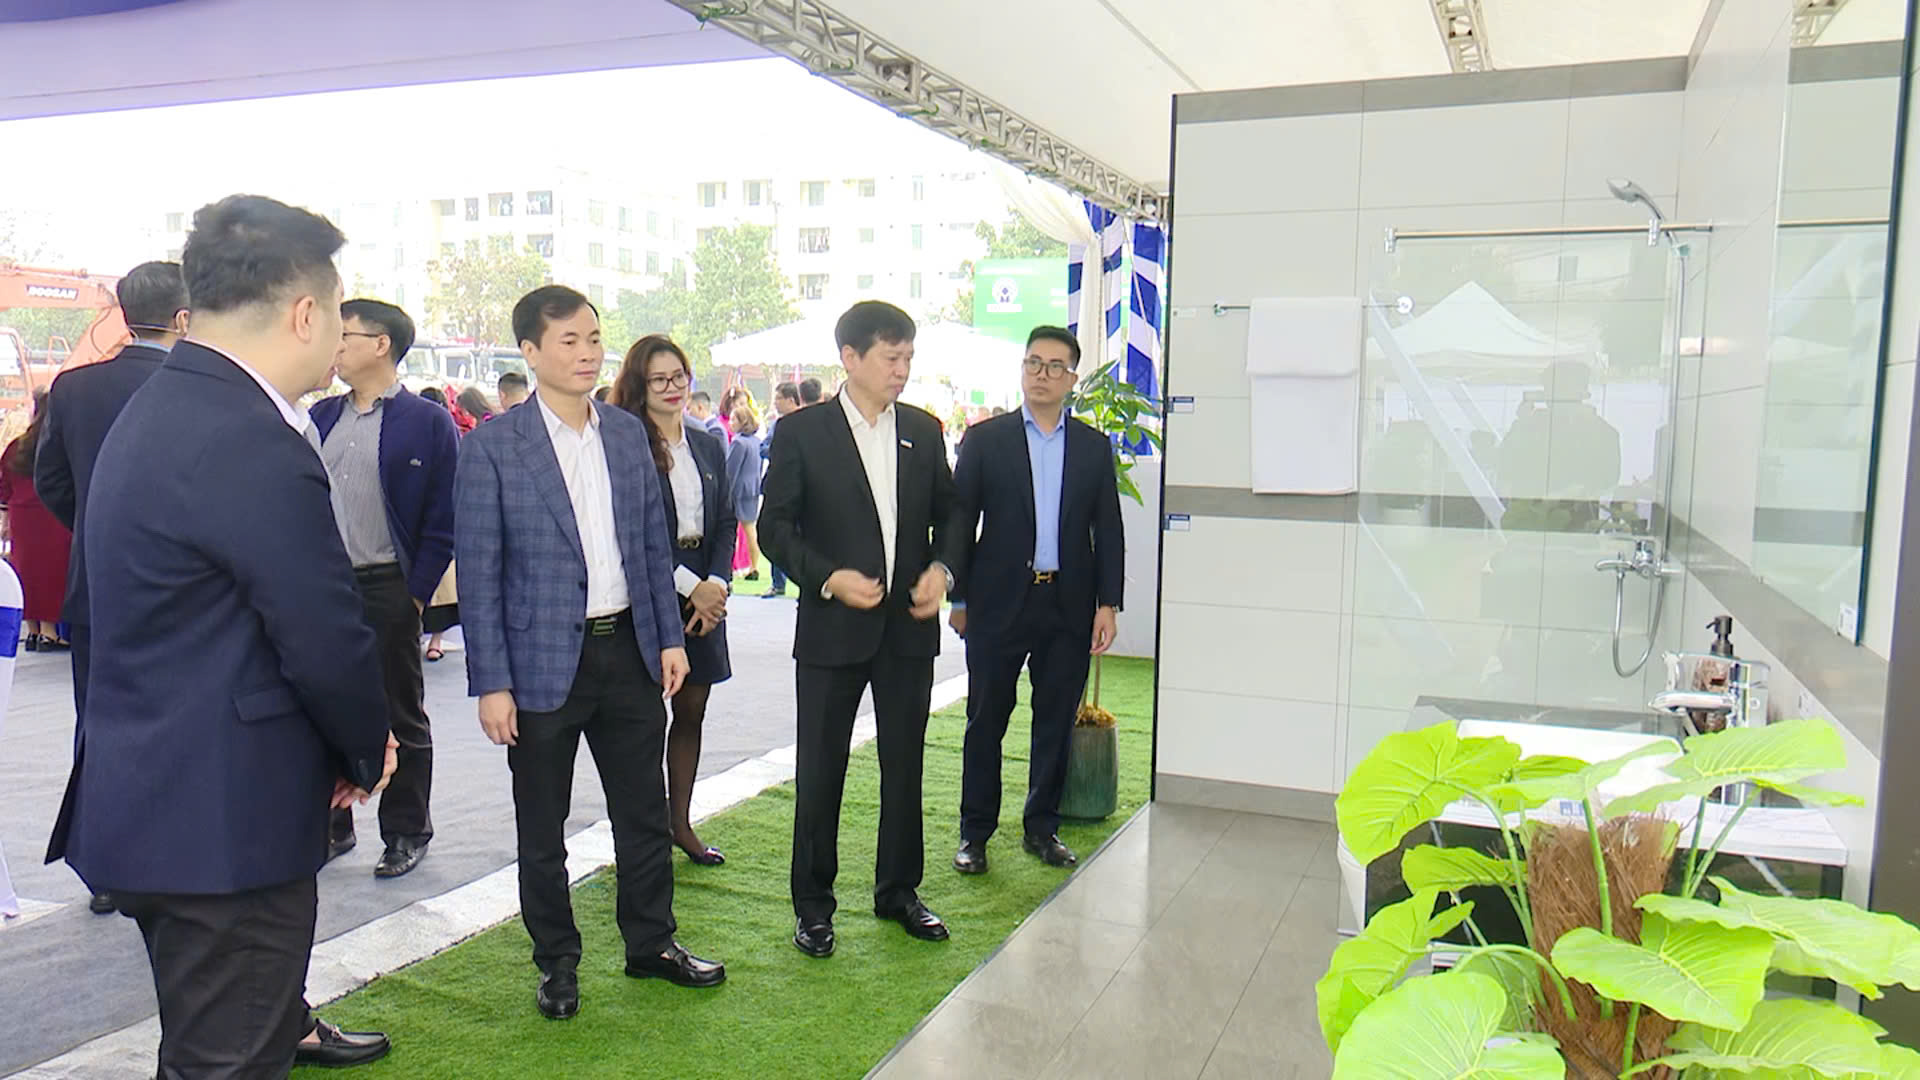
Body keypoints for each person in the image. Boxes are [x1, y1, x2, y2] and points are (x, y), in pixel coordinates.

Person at [45, 194, 397, 1074]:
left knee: (210, 1050)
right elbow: (321, 631)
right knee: (228, 1060)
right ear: (306, 313)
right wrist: (365, 748)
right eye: (338, 312)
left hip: (168, 798)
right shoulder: (246, 432)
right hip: (222, 823)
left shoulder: (165, 403)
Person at [454, 285, 722, 1021]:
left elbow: (650, 546)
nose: (587, 353)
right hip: (538, 669)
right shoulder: (492, 446)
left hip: (628, 652)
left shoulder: (626, 435)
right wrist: (491, 683)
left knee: (643, 813)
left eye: (594, 338)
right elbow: (479, 574)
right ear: (530, 351)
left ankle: (652, 943)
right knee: (543, 827)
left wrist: (668, 637)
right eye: (568, 340)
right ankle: (557, 963)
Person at [760, 300, 955, 959]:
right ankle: (813, 907)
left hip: (907, 631)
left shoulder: (924, 431)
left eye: (908, 358)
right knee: (821, 771)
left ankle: (899, 891)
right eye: (891, 357)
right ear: (850, 358)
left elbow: (952, 514)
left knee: (905, 766)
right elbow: (773, 529)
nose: (902, 370)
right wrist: (827, 577)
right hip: (831, 629)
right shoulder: (802, 433)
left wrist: (942, 569)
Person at [37, 259, 185, 916]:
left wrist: (98, 530)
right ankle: (171, 860)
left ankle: (106, 868)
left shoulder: (74, 388)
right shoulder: (198, 385)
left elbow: (51, 481)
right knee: (179, 723)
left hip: (96, 587)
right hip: (182, 590)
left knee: (98, 726)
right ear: (185, 317)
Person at [947, 326, 1125, 874]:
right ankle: (975, 833)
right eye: (1033, 363)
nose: (1041, 375)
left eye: (1054, 367)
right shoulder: (985, 440)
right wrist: (959, 598)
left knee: (1055, 721)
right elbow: (960, 522)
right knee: (985, 720)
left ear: (1072, 378)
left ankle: (1041, 828)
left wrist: (1108, 603)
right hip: (997, 603)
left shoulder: (1093, 447)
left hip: (1068, 604)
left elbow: (1108, 529)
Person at [309, 298, 460, 878]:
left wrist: (414, 595)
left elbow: (443, 520)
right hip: (325, 589)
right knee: (320, 706)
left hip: (388, 586)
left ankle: (405, 830)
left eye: (344, 335)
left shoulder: (427, 422)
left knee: (400, 712)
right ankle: (333, 824)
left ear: (381, 344)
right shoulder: (321, 416)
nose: (335, 346)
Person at [609, 335, 733, 866]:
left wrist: (717, 585)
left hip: (706, 589)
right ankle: (642, 839)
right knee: (643, 722)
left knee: (692, 713)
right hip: (650, 590)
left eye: (679, 376)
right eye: (659, 379)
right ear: (639, 384)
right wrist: (690, 588)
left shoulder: (707, 443)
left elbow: (726, 520)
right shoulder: (625, 444)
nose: (672, 387)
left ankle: (679, 822)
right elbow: (632, 533)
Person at [1, 391, 71, 652]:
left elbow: (3, 485)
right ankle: (50, 633)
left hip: (21, 515)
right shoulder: (57, 445)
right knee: (53, 571)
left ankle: (32, 632)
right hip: (50, 513)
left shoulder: (16, 446)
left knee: (26, 571)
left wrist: (6, 520)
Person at [762, 382, 803, 599]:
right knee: (777, 532)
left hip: (802, 491)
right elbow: (763, 447)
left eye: (778, 398)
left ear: (790, 399)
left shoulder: (806, 423)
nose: (775, 403)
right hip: (778, 489)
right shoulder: (777, 425)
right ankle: (777, 583)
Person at [727, 403, 764, 583]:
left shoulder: (738, 442)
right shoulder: (756, 442)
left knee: (730, 532)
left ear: (742, 422)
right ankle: (754, 567)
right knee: (750, 530)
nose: (730, 423)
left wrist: (725, 494)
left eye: (734, 419)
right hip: (753, 488)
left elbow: (731, 471)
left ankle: (731, 567)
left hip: (738, 491)